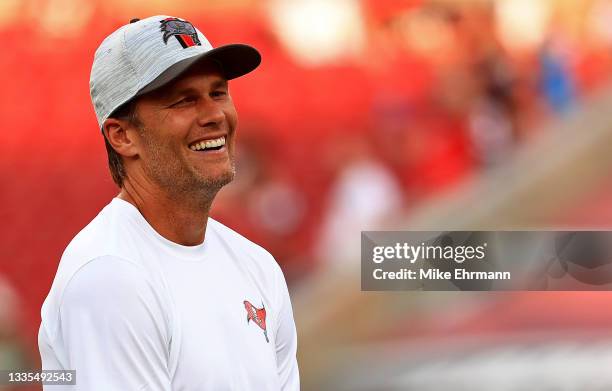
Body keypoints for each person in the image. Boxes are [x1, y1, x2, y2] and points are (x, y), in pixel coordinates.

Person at [38, 15, 300, 390]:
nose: (214, 115)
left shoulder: (258, 267)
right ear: (123, 136)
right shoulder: (110, 276)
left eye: (218, 92)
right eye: (184, 101)